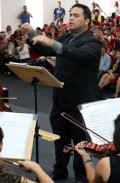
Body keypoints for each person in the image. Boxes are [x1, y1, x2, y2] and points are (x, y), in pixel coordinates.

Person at [21, 3, 102, 182]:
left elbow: (79, 55)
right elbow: (46, 48)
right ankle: (60, 173)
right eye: (70, 15)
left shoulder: (92, 42)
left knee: (80, 143)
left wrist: (53, 42)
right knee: (60, 139)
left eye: (76, 15)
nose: (70, 18)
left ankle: (81, 177)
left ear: (87, 20)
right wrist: (32, 34)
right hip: (60, 99)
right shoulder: (66, 37)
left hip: (79, 102)